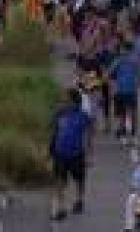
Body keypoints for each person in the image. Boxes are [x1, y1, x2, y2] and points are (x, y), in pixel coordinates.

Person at [49, 87, 92, 221]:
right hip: (60, 153)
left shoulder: (83, 116)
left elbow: (87, 136)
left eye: (67, 100)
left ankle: (79, 200)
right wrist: (50, 150)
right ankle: (60, 209)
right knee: (59, 181)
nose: (64, 102)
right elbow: (54, 132)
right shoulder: (59, 114)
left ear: (74, 101)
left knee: (79, 179)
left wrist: (88, 155)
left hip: (76, 153)